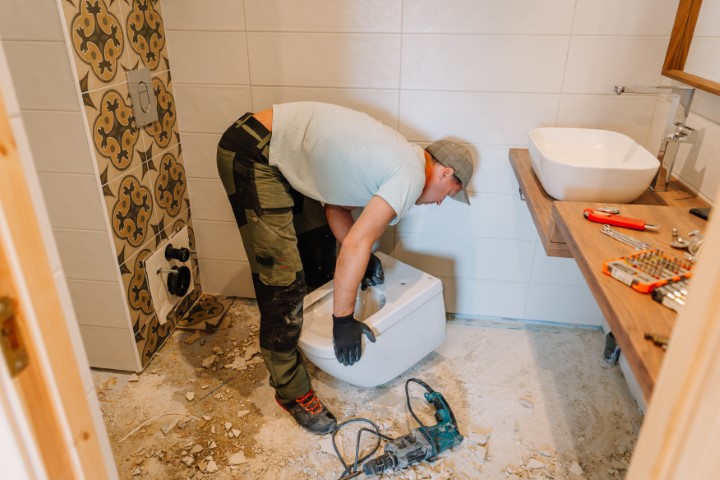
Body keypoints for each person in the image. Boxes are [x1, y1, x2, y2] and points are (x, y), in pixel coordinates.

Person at [216, 102, 473, 435]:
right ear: (446, 173)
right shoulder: (410, 173)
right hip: (255, 153)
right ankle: (290, 390)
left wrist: (363, 260)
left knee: (318, 249)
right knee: (282, 279)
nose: (438, 202)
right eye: (447, 194)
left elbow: (336, 206)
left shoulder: (397, 159)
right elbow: (354, 245)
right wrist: (343, 320)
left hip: (273, 150)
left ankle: (301, 343)